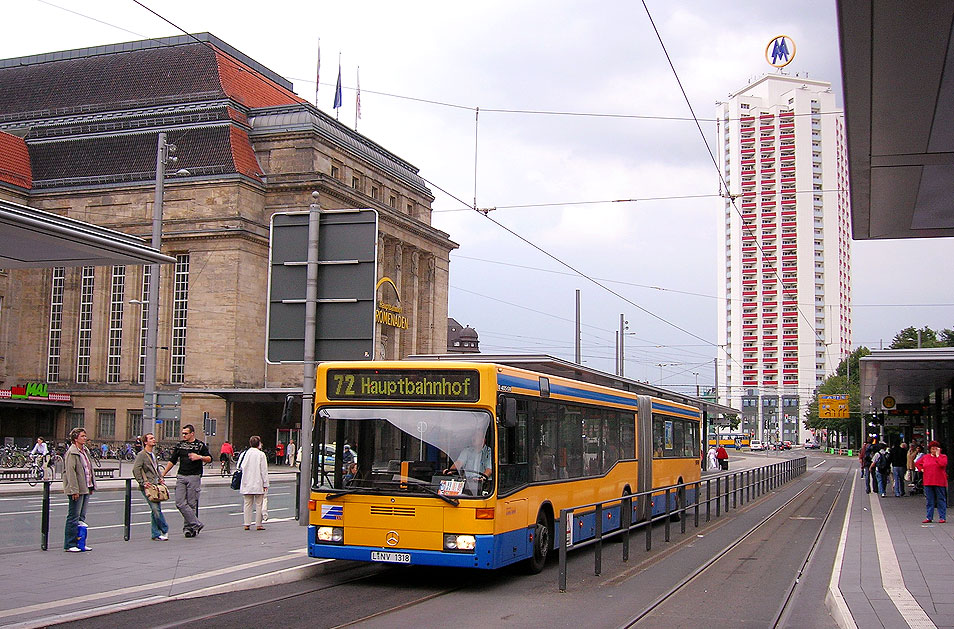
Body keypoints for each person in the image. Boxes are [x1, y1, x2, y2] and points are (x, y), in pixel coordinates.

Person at [160, 424, 212, 538]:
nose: (183, 435)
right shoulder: (180, 445)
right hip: (181, 475)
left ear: (192, 433)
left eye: (186, 433)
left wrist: (199, 457)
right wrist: (163, 474)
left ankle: (189, 529)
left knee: (191, 504)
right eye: (182, 433)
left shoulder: (199, 445)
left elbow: (209, 458)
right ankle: (196, 524)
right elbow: (172, 460)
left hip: (194, 476)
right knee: (180, 502)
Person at [63, 427, 96, 552]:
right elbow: (70, 472)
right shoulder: (72, 452)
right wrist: (74, 490)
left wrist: (92, 485)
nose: (85, 438)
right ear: (75, 438)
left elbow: (89, 469)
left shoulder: (85, 451)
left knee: (81, 517)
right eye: (82, 436)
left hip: (86, 487)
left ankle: (80, 542)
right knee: (73, 516)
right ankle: (70, 544)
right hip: (77, 488)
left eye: (85, 435)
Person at [132, 433, 169, 541]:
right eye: (151, 438)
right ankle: (165, 529)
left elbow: (156, 468)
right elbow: (136, 469)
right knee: (155, 508)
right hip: (148, 486)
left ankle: (155, 533)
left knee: (155, 509)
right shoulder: (141, 455)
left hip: (155, 485)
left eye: (153, 438)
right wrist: (142, 482)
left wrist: (161, 477)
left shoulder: (153, 454)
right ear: (145, 442)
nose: (154, 440)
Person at [239, 435, 269, 531]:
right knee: (259, 503)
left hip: (247, 482)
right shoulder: (261, 455)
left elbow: (240, 466)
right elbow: (264, 470)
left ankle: (247, 523)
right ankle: (258, 524)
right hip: (258, 482)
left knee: (247, 503)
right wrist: (266, 484)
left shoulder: (245, 453)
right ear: (259, 443)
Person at [915, 440, 947, 523]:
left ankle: (942, 517)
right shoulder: (926, 457)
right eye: (932, 449)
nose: (934, 450)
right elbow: (917, 463)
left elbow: (942, 464)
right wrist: (921, 469)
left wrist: (938, 456)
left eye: (936, 449)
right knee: (930, 500)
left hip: (939, 481)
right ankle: (929, 517)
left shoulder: (943, 457)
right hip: (928, 481)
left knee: (941, 499)